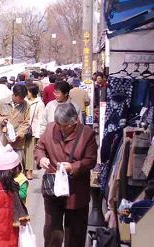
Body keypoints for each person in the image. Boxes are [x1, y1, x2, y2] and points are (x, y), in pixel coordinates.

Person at [35, 103, 97, 247]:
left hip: (76, 191)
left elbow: (91, 160)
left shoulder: (86, 134)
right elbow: (40, 147)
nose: (61, 129)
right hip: (53, 188)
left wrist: (73, 167)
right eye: (58, 125)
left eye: (64, 126)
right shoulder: (51, 128)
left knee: (75, 232)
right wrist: (41, 157)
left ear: (74, 122)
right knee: (52, 230)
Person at [0, 84, 30, 164]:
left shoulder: (26, 105)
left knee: (17, 166)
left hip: (18, 141)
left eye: (23, 98)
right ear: (14, 95)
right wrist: (2, 120)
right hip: (4, 140)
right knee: (4, 165)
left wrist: (19, 134)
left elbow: (26, 122)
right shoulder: (2, 102)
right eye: (20, 98)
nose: (22, 100)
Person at [24, 83, 45, 180]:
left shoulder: (39, 103)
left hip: (33, 130)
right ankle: (23, 170)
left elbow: (41, 119)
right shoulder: (24, 101)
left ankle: (29, 171)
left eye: (27, 91)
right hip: (23, 129)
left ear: (32, 92)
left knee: (30, 152)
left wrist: (39, 133)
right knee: (23, 151)